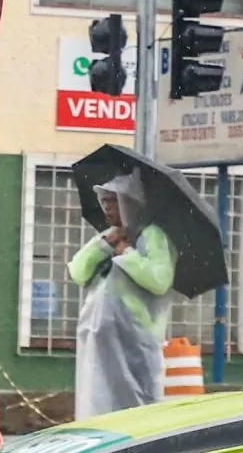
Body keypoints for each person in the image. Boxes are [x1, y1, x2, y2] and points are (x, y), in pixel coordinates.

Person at [70, 173, 175, 418]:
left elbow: (159, 280)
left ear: (130, 202)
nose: (107, 206)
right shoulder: (109, 234)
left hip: (135, 340)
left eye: (113, 200)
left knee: (138, 407)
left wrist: (127, 254)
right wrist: (104, 245)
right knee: (98, 405)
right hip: (99, 339)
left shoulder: (152, 236)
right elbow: (78, 271)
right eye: (104, 200)